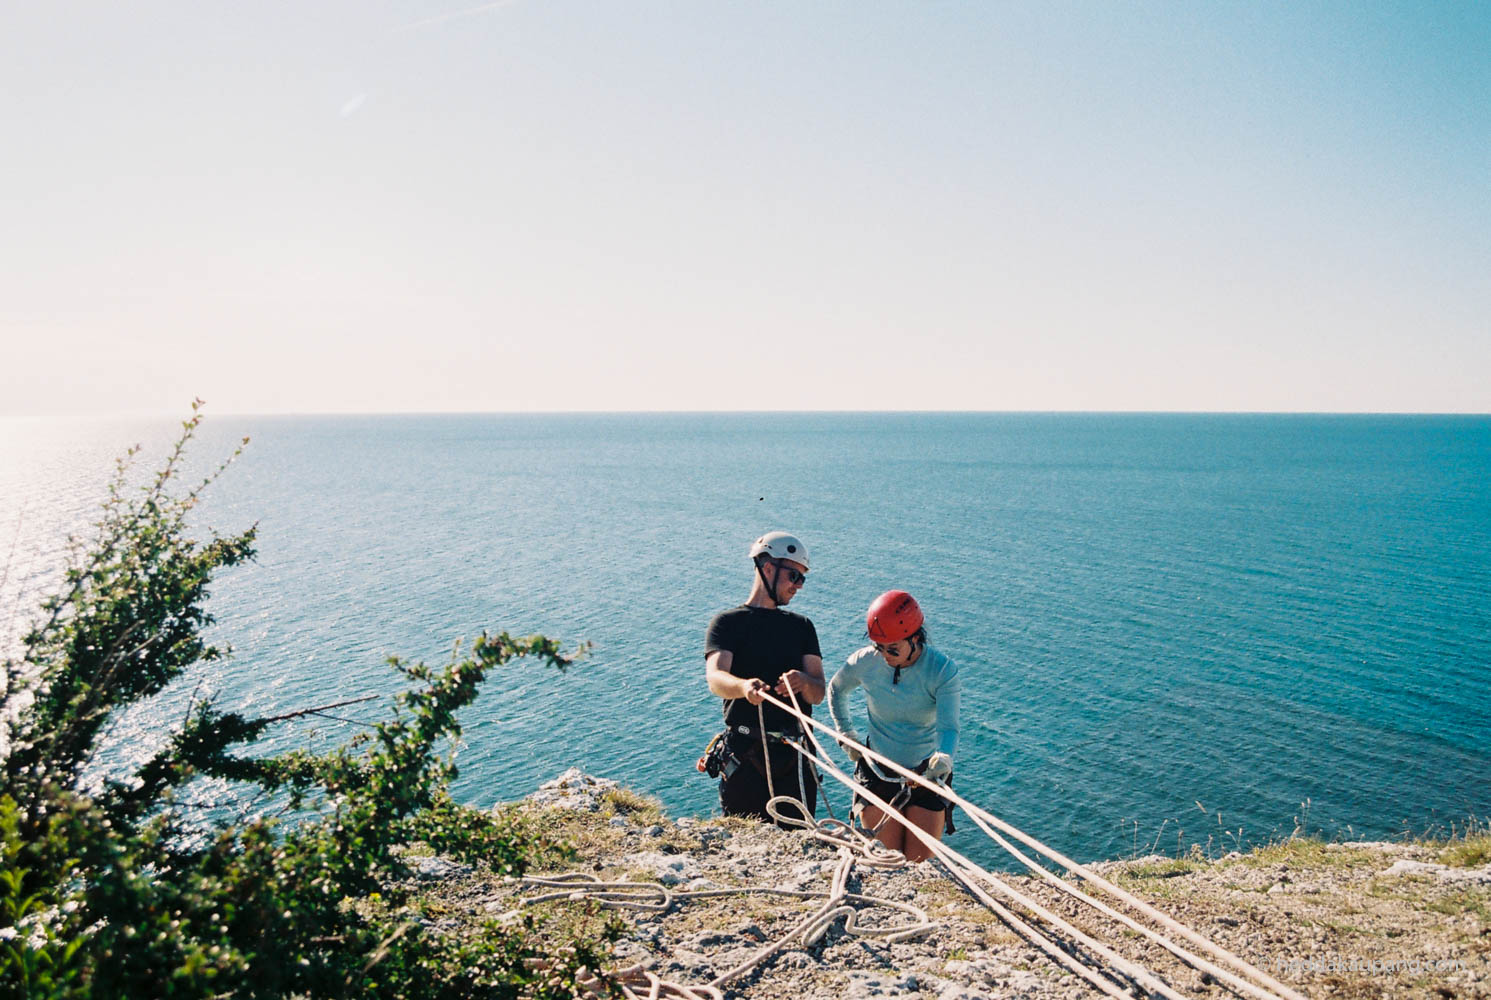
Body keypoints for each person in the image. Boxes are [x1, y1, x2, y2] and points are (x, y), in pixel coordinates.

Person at [828, 589, 960, 862]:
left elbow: (949, 728)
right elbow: (837, 689)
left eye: (892, 649)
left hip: (927, 773)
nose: (884, 655)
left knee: (919, 865)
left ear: (915, 638)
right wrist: (845, 735)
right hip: (877, 769)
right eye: (878, 647)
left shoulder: (942, 670)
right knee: (883, 862)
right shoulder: (865, 662)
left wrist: (944, 756)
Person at [704, 531, 825, 825]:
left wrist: (803, 682)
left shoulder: (802, 627)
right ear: (768, 568)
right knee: (743, 845)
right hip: (745, 757)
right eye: (794, 576)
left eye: (802, 579)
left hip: (794, 756)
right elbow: (716, 677)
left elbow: (818, 692)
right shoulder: (727, 624)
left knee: (799, 844)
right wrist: (744, 687)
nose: (798, 586)